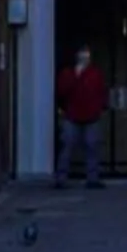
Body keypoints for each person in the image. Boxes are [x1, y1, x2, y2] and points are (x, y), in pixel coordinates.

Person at [55, 46, 109, 188]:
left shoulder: (95, 74)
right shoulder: (68, 73)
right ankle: (61, 178)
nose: (85, 60)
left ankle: (92, 178)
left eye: (87, 57)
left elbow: (101, 91)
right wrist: (76, 77)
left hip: (91, 116)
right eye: (82, 57)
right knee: (66, 147)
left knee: (92, 147)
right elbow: (62, 91)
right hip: (72, 116)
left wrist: (100, 108)